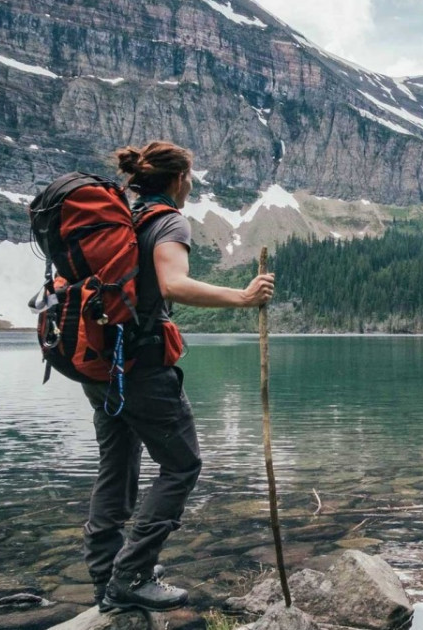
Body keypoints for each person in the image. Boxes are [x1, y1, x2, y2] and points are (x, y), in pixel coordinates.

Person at [82, 141, 275, 612]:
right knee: (182, 465)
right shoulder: (168, 220)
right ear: (177, 179)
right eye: (190, 176)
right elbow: (173, 284)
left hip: (100, 365)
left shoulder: (123, 219)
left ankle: (107, 575)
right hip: (143, 369)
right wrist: (243, 298)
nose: (192, 184)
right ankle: (131, 575)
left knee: (117, 468)